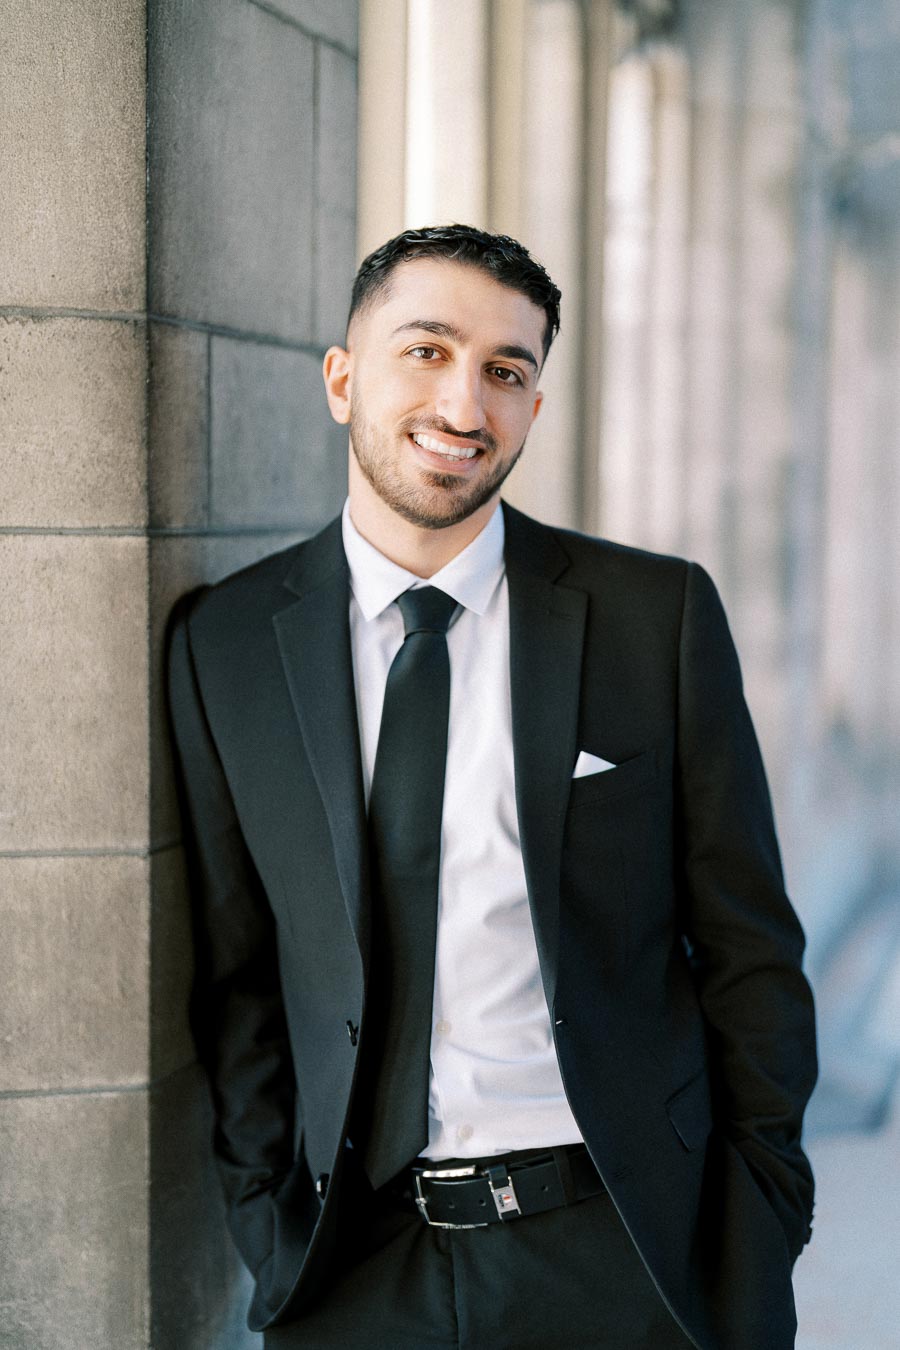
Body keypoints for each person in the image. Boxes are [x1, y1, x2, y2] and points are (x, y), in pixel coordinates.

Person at [167, 224, 817, 1349]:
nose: (464, 405)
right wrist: (270, 1233)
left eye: (506, 371)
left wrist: (761, 1222)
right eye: (426, 351)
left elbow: (748, 945)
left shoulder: (652, 619)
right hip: (353, 1272)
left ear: (534, 406)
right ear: (343, 380)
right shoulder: (224, 644)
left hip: (620, 1250)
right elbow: (238, 978)